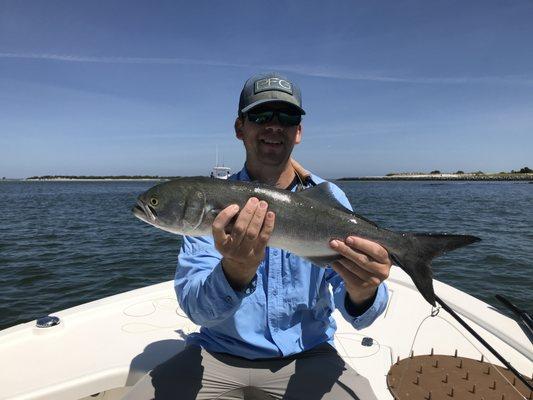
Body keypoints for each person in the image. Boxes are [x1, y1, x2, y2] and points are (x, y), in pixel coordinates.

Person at [124, 73, 392, 400]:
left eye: (288, 116)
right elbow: (195, 308)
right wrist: (234, 273)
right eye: (261, 116)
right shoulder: (209, 205)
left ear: (299, 131)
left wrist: (363, 290)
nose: (274, 126)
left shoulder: (327, 196)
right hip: (216, 354)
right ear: (240, 127)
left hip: (310, 354)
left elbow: (360, 313)